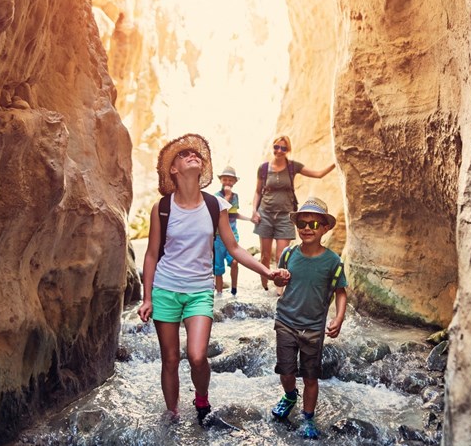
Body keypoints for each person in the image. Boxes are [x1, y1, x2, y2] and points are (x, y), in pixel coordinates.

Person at [138, 134, 281, 424]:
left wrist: (266, 271)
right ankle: (173, 413)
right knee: (170, 359)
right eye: (184, 154)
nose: (192, 155)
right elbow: (152, 254)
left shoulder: (216, 206)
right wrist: (147, 297)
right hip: (165, 288)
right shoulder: (161, 208)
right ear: (174, 170)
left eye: (196, 154)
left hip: (199, 291)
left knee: (197, 355)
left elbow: (235, 248)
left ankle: (201, 397)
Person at [269, 197, 348, 439]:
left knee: (311, 376)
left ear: (325, 228)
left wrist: (339, 318)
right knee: (286, 371)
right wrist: (278, 280)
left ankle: (308, 418)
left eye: (314, 224)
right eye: (302, 223)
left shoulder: (333, 262)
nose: (307, 228)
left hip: (313, 328)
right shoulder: (289, 252)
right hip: (285, 321)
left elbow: (341, 292)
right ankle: (290, 395)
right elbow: (279, 282)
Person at [251, 135, 336, 293]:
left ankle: (279, 290)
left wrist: (337, 160)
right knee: (264, 255)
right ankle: (264, 288)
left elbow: (318, 174)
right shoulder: (263, 168)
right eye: (276, 147)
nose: (279, 151)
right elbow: (257, 192)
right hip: (266, 215)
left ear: (288, 150)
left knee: (281, 255)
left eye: (283, 148)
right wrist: (254, 211)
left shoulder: (292, 166)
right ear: (273, 147)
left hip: (285, 215)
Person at [213, 166, 251, 296]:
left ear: (234, 182)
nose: (228, 182)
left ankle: (234, 290)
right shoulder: (216, 197)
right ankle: (219, 294)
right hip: (218, 237)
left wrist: (250, 219)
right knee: (218, 267)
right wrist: (227, 196)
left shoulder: (236, 197)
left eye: (230, 180)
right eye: (225, 179)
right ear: (221, 181)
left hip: (232, 235)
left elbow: (234, 214)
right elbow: (219, 212)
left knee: (235, 261)